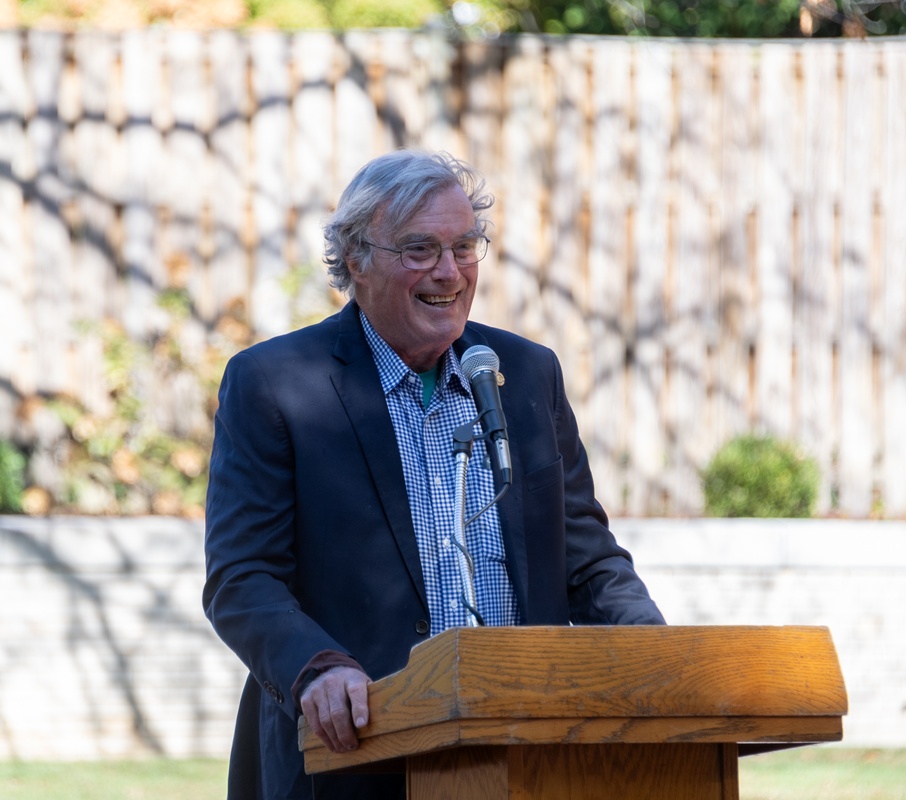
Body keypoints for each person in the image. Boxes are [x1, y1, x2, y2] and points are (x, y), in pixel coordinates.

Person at [203, 150, 665, 800]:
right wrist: (318, 670)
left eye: (464, 246)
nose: (449, 272)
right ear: (356, 259)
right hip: (351, 761)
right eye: (419, 249)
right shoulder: (274, 384)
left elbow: (587, 563)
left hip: (523, 756)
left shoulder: (525, 375)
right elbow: (243, 579)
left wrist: (658, 650)